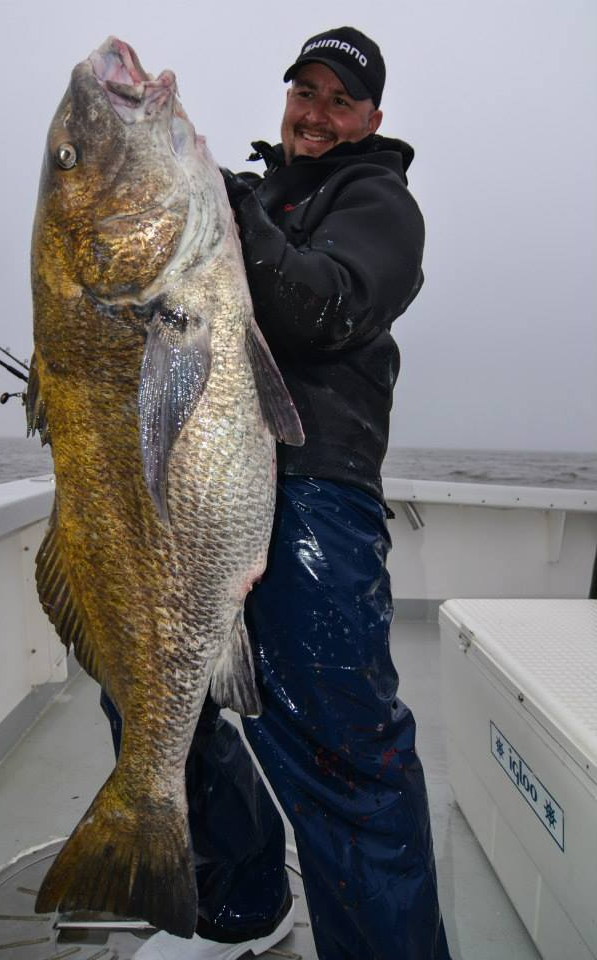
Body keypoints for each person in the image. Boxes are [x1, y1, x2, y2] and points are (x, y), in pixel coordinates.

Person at [119, 25, 451, 960]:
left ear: (371, 118)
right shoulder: (252, 199)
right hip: (197, 496)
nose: (315, 113)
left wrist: (227, 206)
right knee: (147, 692)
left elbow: (322, 306)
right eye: (304, 91)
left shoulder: (380, 203)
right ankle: (242, 902)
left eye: (340, 99)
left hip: (313, 498)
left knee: (343, 757)